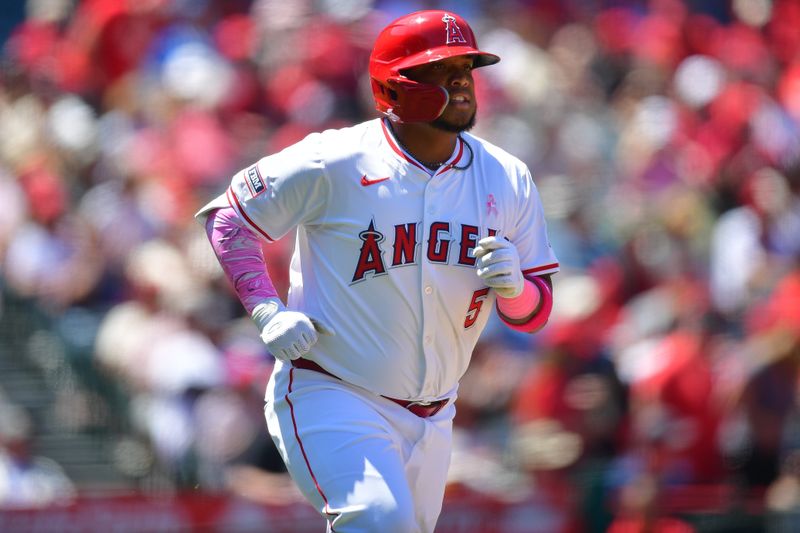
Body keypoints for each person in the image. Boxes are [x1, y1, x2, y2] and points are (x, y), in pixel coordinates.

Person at [197, 10, 559, 532]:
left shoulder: (506, 176)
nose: (461, 81)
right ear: (394, 87)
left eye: (466, 68)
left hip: (436, 412)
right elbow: (230, 216)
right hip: (334, 389)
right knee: (380, 523)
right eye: (440, 69)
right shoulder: (334, 160)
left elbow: (535, 313)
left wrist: (517, 288)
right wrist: (266, 309)